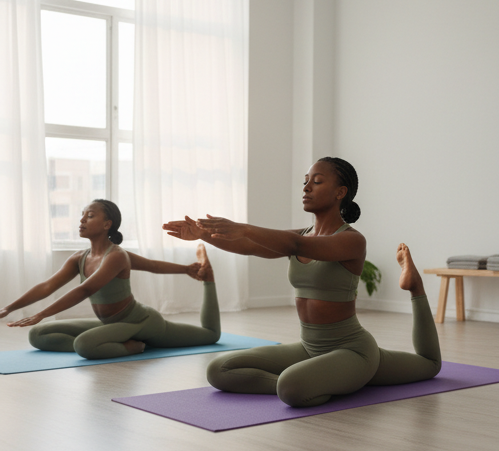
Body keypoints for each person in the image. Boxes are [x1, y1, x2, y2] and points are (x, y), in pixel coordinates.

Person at [163, 157, 442, 408]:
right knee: (218, 370)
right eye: (305, 182)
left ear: (340, 193)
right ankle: (323, 379)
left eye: (317, 181)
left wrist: (243, 226)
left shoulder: (351, 240)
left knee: (428, 365)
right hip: (308, 348)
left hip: (353, 350)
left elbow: (292, 243)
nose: (306, 187)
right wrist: (203, 235)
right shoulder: (302, 235)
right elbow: (249, 246)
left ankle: (414, 286)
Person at [1, 199, 220, 359]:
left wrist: (42, 313)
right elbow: (47, 286)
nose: (81, 220)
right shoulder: (80, 258)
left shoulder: (116, 256)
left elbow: (84, 290)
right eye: (82, 214)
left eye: (89, 215)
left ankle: (132, 346)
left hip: (140, 322)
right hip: (109, 323)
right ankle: (110, 340)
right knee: (39, 334)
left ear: (107, 224)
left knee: (209, 335)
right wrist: (8, 308)